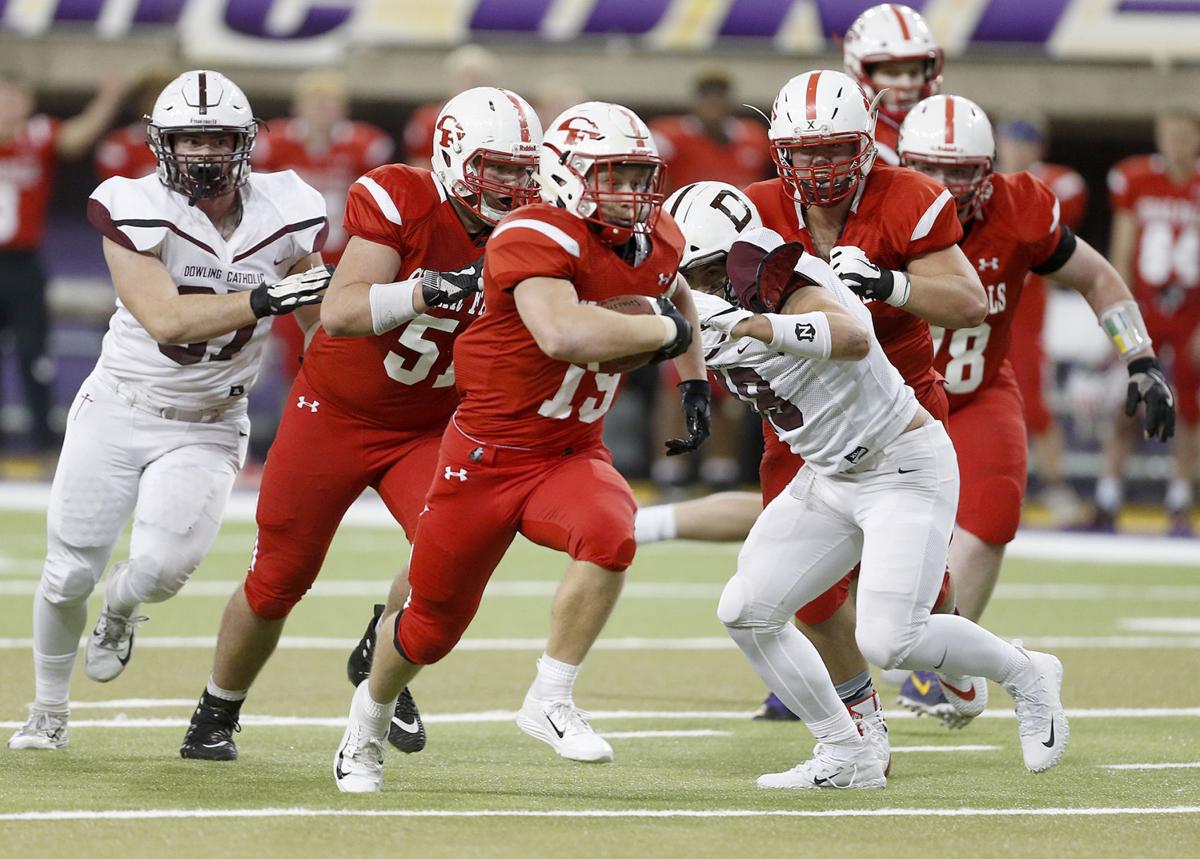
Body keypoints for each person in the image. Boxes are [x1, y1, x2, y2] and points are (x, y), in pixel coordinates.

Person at [332, 101, 707, 792]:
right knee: (428, 629)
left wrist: (695, 380)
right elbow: (562, 333)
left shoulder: (659, 235)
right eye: (612, 175)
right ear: (565, 175)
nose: (629, 192)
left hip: (570, 449)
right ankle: (368, 718)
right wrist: (662, 336)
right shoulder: (533, 232)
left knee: (611, 529)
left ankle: (551, 696)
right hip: (487, 455)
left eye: (637, 175)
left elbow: (674, 291)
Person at [179, 86, 542, 762]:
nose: (515, 184)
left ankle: (384, 645)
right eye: (499, 167)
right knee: (278, 578)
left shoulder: (537, 225)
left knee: (454, 543)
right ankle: (217, 708)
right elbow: (342, 311)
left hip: (434, 422)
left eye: (525, 170)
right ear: (455, 154)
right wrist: (428, 288)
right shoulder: (399, 195)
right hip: (336, 414)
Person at [639, 68, 986, 721]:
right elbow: (691, 293)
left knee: (916, 595)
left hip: (896, 409)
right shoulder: (753, 206)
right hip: (798, 416)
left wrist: (889, 284)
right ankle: (859, 720)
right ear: (780, 151)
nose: (821, 166)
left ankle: (962, 662)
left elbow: (968, 301)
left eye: (835, 149)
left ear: (863, 144)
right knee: (808, 591)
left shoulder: (909, 194)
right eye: (806, 151)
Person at [7, 70, 331, 751]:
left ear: (244, 144)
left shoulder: (288, 206)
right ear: (162, 144)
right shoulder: (131, 204)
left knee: (160, 571)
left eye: (217, 138)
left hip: (211, 419)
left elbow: (326, 313)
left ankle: (121, 609)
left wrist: (403, 302)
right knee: (68, 571)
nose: (204, 153)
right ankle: (48, 709)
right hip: (120, 406)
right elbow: (165, 319)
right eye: (189, 139)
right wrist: (266, 299)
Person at [709, 226, 1068, 788]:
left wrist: (747, 324)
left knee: (890, 640)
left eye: (704, 275)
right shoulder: (694, 301)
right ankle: (845, 752)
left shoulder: (786, 280)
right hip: (829, 476)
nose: (695, 289)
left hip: (900, 466)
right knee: (745, 609)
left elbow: (850, 336)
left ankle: (1026, 672)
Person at [895, 95, 1176, 720]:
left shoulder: (1018, 208)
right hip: (889, 401)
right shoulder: (875, 211)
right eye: (929, 169)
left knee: (993, 513)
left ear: (988, 170)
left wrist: (1141, 358)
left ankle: (944, 667)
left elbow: (1098, 278)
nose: (943, 187)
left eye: (961, 170)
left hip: (975, 391)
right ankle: (829, 682)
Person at [648, 69, 772, 492]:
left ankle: (720, 470)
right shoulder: (672, 136)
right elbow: (646, 155)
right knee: (677, 371)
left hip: (733, 264)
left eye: (721, 95)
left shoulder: (752, 139)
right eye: (708, 95)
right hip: (686, 261)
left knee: (736, 368)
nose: (714, 105)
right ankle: (670, 468)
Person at [1083, 110, 1200, 536]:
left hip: (1191, 312)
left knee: (1189, 411)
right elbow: (1123, 248)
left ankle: (1179, 500)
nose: (1176, 143)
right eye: (1170, 134)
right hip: (1144, 309)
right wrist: (1117, 309)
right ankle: (1108, 495)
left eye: (1185, 134)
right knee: (1126, 404)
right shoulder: (1136, 179)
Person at [0, 71, 128, 454]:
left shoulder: (38, 135)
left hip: (23, 263)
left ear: (29, 102)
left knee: (34, 353)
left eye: (15, 99)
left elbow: (75, 139)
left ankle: (43, 440)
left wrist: (106, 100)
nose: (8, 107)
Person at [253, 70, 394, 378]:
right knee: (297, 346)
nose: (322, 112)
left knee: (352, 342)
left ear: (343, 110)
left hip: (345, 258)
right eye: (315, 103)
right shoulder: (274, 143)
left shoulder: (363, 145)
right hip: (292, 260)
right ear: (298, 107)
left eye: (330, 104)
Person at [994, 115, 1090, 522]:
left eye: (1024, 139)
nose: (1016, 148)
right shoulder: (981, 183)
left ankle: (1054, 487)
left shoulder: (1049, 184)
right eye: (1010, 139)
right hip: (979, 299)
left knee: (1031, 399)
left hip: (1024, 304)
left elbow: (1063, 202)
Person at [842, 3, 943, 165]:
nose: (906, 84)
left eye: (914, 73)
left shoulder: (941, 123)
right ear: (858, 72)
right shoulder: (850, 135)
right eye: (892, 73)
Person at [403, 46, 500, 170]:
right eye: (466, 76)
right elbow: (419, 168)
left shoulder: (503, 122)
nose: (472, 83)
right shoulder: (428, 121)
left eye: (479, 77)